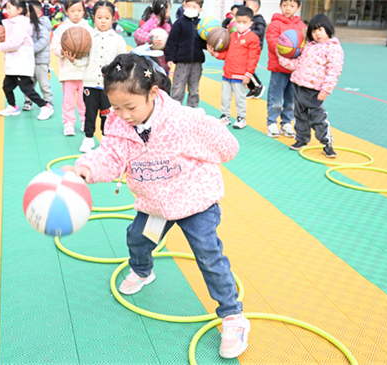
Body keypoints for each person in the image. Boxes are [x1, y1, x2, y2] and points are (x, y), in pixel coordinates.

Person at [65, 53, 250, 360]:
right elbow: (110, 156)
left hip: (196, 202)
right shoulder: (118, 124)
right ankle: (142, 270)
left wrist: (216, 134)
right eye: (116, 107)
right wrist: (86, 168)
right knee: (138, 238)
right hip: (155, 204)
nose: (123, 114)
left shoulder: (182, 120)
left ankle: (232, 316)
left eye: (130, 107)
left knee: (208, 255)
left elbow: (227, 147)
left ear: (152, 93)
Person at [278, 14, 343, 157]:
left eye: (320, 29)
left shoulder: (333, 48)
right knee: (299, 115)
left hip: (315, 90)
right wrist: (282, 58)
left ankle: (326, 143)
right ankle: (302, 139)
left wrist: (326, 90)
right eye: (313, 31)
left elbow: (334, 71)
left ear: (328, 29)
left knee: (318, 118)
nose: (317, 34)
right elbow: (297, 64)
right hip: (299, 86)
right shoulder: (308, 46)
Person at [65, 1, 126, 152]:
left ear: (113, 19)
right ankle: (88, 139)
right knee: (89, 113)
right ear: (93, 18)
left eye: (107, 17)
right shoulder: (88, 37)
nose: (103, 21)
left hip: (109, 86)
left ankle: (106, 140)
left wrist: (117, 77)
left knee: (107, 114)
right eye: (99, 17)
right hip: (90, 83)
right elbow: (84, 61)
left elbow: (123, 61)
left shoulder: (118, 40)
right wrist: (74, 60)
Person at [0, 0, 51, 120]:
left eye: (10, 8)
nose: (7, 11)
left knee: (27, 89)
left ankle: (45, 106)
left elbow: (14, 43)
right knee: (6, 86)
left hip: (21, 64)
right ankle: (12, 106)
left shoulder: (20, 25)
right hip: (14, 64)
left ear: (19, 10)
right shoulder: (14, 24)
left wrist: (1, 46)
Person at [208, 6, 260, 129]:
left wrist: (248, 74)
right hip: (227, 73)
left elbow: (253, 58)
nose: (241, 25)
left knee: (240, 97)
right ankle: (225, 116)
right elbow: (225, 54)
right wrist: (214, 53)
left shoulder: (253, 38)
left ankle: (241, 118)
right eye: (238, 22)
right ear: (234, 21)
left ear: (250, 23)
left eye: (244, 22)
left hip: (240, 75)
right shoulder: (231, 36)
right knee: (225, 97)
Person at [50, 0, 93, 135]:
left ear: (84, 11)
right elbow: (54, 46)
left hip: (84, 74)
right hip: (67, 73)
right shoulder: (61, 28)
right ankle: (68, 123)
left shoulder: (89, 29)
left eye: (79, 11)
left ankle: (85, 121)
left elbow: (93, 47)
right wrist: (63, 51)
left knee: (83, 101)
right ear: (66, 12)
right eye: (73, 11)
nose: (76, 14)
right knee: (68, 101)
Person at [264, 0, 305, 138]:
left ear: (298, 8)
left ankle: (287, 122)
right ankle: (272, 122)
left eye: (292, 6)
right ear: (280, 6)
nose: (288, 8)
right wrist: (282, 48)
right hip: (279, 67)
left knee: (291, 98)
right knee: (275, 97)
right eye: (285, 5)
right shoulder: (276, 23)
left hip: (295, 70)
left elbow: (306, 42)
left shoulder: (301, 25)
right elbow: (271, 40)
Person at [164, 0, 206, 108]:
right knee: (178, 87)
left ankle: (192, 110)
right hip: (181, 62)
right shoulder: (179, 23)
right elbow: (172, 42)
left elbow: (204, 42)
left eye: (194, 7)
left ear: (200, 10)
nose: (191, 9)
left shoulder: (201, 25)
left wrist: (211, 46)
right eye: (188, 6)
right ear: (184, 6)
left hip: (197, 62)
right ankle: (174, 109)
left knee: (194, 88)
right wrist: (170, 57)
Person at [21, 0, 54, 119]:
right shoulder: (26, 25)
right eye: (27, 12)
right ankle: (28, 101)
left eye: (32, 12)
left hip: (41, 60)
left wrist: (29, 49)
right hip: (29, 60)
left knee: (44, 83)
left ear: (39, 13)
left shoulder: (42, 25)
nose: (28, 14)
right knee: (28, 83)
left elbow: (44, 41)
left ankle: (48, 101)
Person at [134, 0, 171, 74]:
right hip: (148, 63)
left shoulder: (167, 26)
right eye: (169, 10)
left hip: (162, 63)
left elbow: (171, 42)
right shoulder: (150, 23)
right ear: (164, 11)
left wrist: (170, 57)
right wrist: (151, 39)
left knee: (162, 82)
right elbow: (137, 35)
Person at [244, 0, 266, 99]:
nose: (246, 7)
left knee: (247, 67)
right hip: (248, 47)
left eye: (248, 6)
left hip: (255, 48)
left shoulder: (259, 19)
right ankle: (252, 88)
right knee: (244, 67)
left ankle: (258, 86)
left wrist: (247, 31)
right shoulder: (249, 20)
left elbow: (260, 32)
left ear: (256, 7)